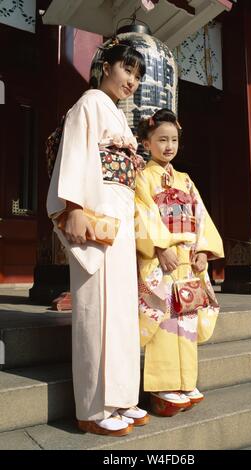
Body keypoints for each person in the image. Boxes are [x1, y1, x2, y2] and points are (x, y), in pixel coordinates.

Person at [46, 38, 150, 436]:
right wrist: (72, 208)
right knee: (95, 307)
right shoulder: (89, 102)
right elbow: (75, 151)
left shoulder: (119, 116)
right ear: (105, 65)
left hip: (120, 212)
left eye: (138, 76)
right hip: (96, 209)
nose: (133, 81)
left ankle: (122, 397)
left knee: (121, 308)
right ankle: (92, 407)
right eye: (127, 70)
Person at [135, 109, 224, 417]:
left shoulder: (185, 180)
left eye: (173, 140)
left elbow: (200, 217)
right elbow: (142, 213)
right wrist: (160, 247)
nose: (168, 146)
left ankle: (186, 381)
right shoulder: (142, 177)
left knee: (185, 320)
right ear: (146, 143)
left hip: (186, 259)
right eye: (161, 140)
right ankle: (162, 385)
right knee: (165, 321)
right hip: (163, 261)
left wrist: (203, 251)